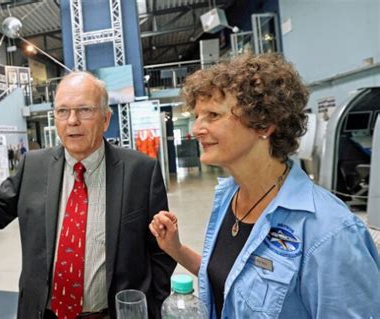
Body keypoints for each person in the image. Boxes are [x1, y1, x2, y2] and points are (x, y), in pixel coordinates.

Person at [0, 72, 176, 319]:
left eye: (84, 110)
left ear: (106, 119)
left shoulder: (141, 171)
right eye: (62, 111)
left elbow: (161, 251)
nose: (72, 120)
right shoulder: (33, 166)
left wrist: (152, 307)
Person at [149, 53, 380, 318]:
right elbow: (233, 279)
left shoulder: (329, 231)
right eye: (198, 116)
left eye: (213, 115)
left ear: (264, 124)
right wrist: (175, 249)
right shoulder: (230, 197)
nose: (197, 128)